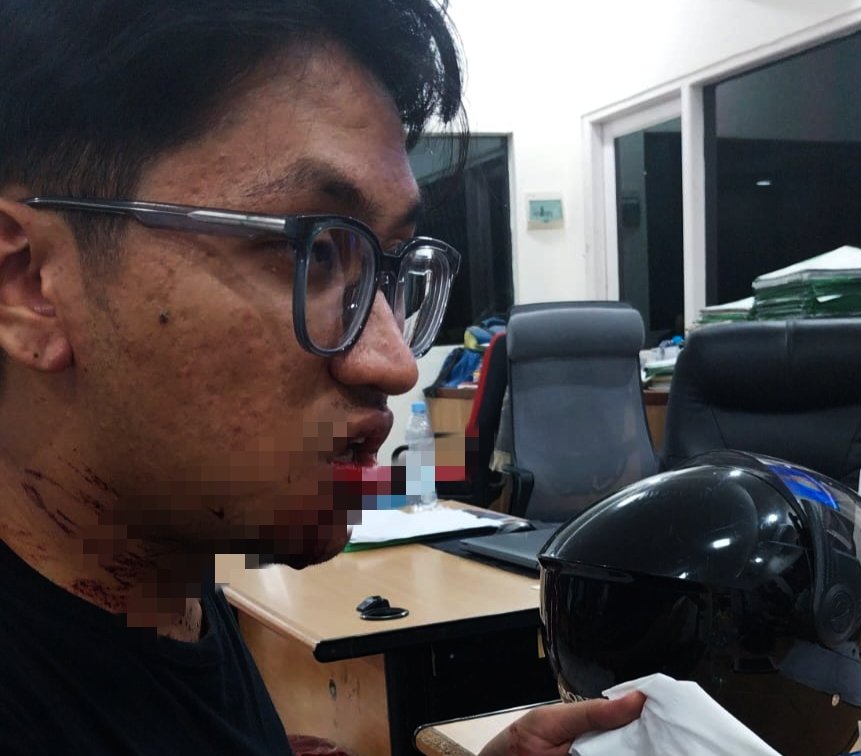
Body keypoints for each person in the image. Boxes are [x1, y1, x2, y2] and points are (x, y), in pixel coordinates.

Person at [0, 1, 644, 753]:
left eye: (386, 267)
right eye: (310, 252)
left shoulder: (163, 584)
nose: (394, 363)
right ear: (32, 283)